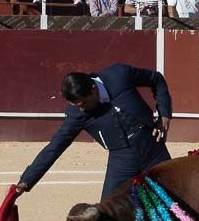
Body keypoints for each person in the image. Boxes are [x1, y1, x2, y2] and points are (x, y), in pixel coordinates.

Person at [16, 64, 173, 201]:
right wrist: (27, 180)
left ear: (93, 89)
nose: (81, 109)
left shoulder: (119, 74)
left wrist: (164, 114)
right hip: (122, 157)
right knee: (107, 214)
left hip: (152, 145)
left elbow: (156, 79)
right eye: (76, 105)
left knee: (175, 198)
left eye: (83, 103)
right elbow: (56, 146)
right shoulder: (76, 114)